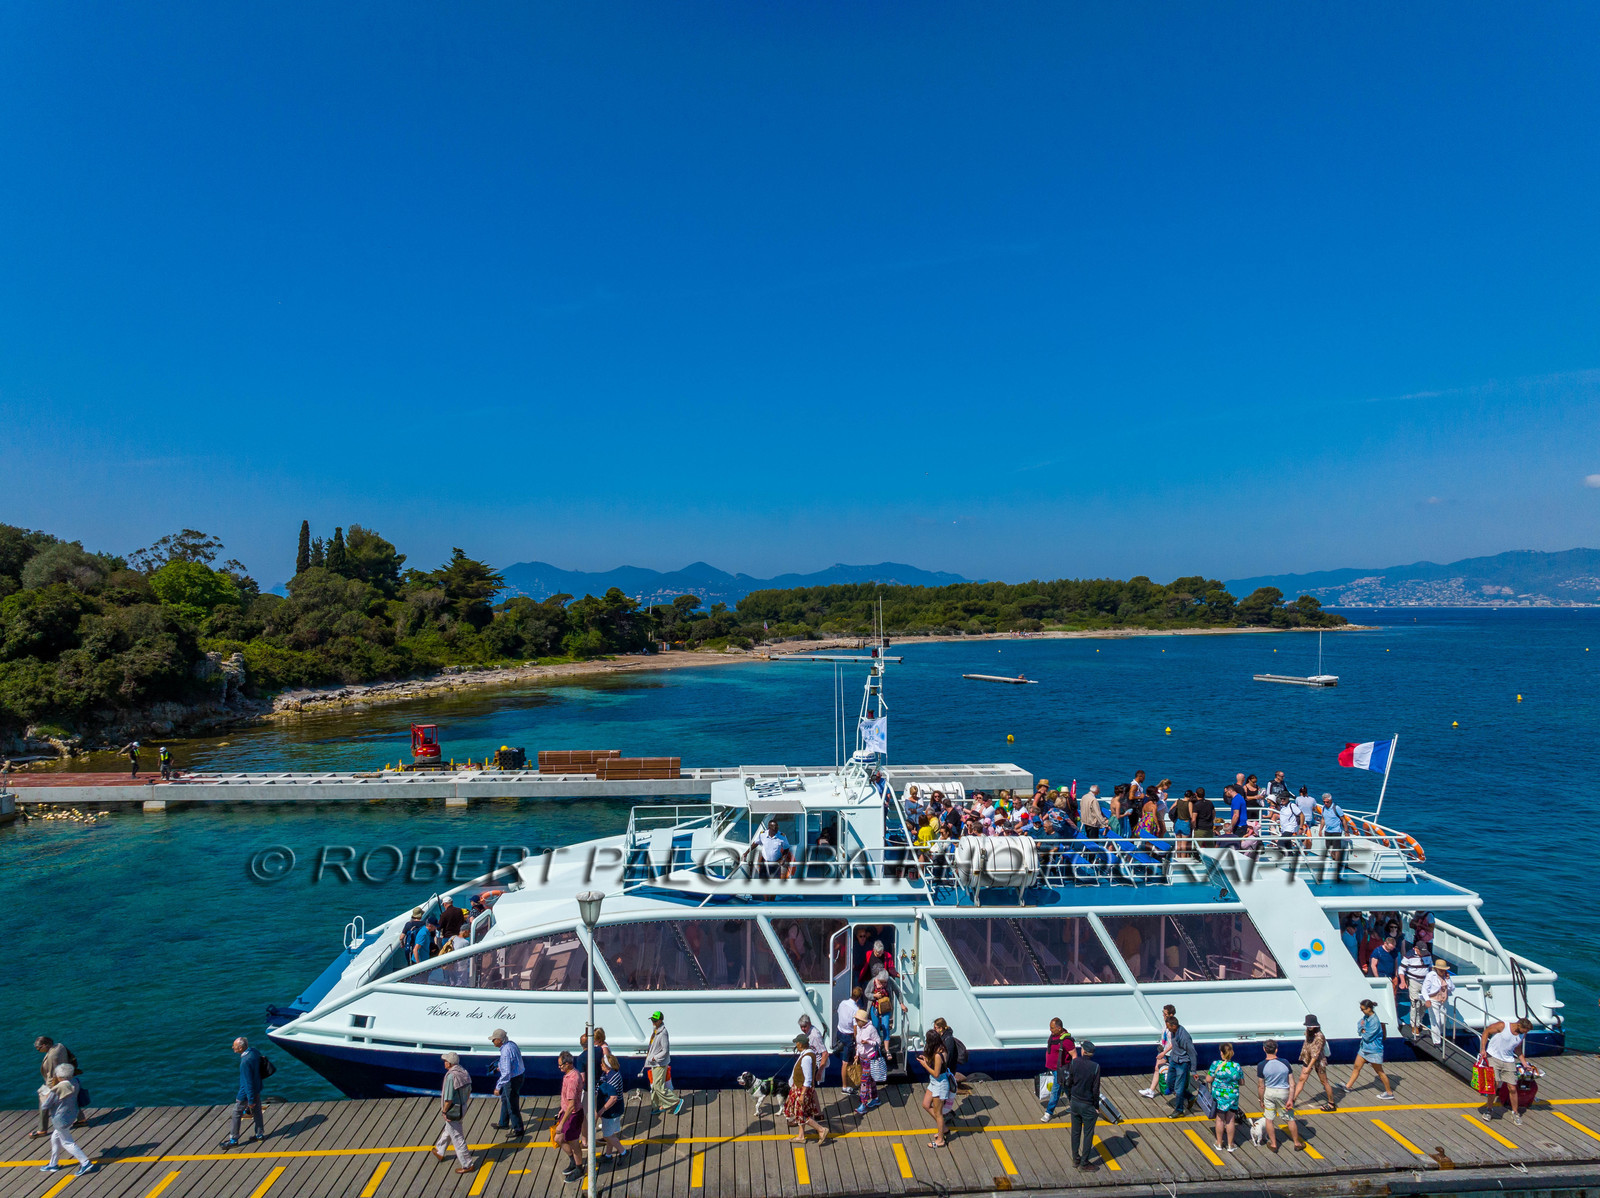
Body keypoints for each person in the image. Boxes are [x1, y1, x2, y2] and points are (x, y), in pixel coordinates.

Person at [38, 1064, 97, 1177]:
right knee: (55, 1138)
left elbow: (45, 1106)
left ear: (59, 1076)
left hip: (61, 1119)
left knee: (67, 1143)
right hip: (72, 1114)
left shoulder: (58, 1088)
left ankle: (85, 1162)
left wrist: (42, 1093)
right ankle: (53, 1163)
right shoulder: (75, 1081)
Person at [1477, 1017, 1533, 1125]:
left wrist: (1525, 1064)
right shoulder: (1503, 1026)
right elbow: (1486, 1032)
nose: (1526, 1033)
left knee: (1512, 1087)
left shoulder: (1522, 1034)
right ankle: (1489, 1109)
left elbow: (1518, 1049)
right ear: (1519, 1026)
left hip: (1508, 1060)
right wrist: (1483, 1048)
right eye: (1525, 1030)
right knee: (1495, 1084)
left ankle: (1515, 1112)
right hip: (1493, 1057)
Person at [1256, 1039, 1306, 1151]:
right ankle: (1297, 1143)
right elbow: (1292, 1083)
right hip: (1283, 1092)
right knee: (1290, 1118)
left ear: (1264, 1049)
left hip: (1269, 1092)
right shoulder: (1285, 1063)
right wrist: (1291, 1099)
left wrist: (1261, 1099)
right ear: (1276, 1049)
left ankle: (1273, 1144)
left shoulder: (1261, 1065)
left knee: (1269, 1119)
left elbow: (1261, 1086)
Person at [431, 1052, 477, 1174]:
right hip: (463, 1106)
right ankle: (440, 1150)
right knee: (449, 1129)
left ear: (449, 1063)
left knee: (457, 1137)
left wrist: (444, 1110)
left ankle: (467, 1164)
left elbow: (448, 1098)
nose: (444, 1062)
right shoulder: (463, 1072)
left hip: (453, 1109)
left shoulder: (451, 1076)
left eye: (445, 1061)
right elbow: (469, 1090)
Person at [1345, 999, 1397, 1099]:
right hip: (1364, 1048)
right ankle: (1348, 1086)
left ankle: (1389, 1093)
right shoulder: (1366, 1016)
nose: (1362, 1011)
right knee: (1356, 1067)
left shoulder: (1374, 1021)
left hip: (1374, 1051)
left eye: (1363, 1009)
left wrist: (1363, 1030)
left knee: (1380, 1072)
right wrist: (1362, 1030)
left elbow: (1367, 1036)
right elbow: (1359, 1025)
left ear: (1369, 1009)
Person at [783, 1034, 830, 1144]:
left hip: (802, 1090)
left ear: (800, 1044)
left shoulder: (807, 1058)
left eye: (797, 1043)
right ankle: (801, 1136)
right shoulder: (808, 1053)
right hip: (799, 1087)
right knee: (801, 1112)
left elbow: (808, 1079)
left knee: (802, 1114)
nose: (796, 1045)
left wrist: (803, 1094)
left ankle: (821, 1130)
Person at [31, 1037, 80, 1138]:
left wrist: (48, 1089)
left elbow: (53, 1074)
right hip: (67, 1078)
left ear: (44, 1045)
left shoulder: (52, 1056)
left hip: (55, 1082)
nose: (37, 1050)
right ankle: (81, 1119)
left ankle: (42, 1129)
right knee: (72, 1099)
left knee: (43, 1102)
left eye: (38, 1048)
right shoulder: (60, 1046)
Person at [222, 1036, 266, 1147]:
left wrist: (250, 1101)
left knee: (236, 1113)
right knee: (257, 1111)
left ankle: (233, 1139)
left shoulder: (245, 1062)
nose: (233, 1047)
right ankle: (259, 1134)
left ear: (241, 1048)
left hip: (246, 1093)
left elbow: (247, 1083)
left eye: (235, 1046)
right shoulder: (254, 1052)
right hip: (257, 1087)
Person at [1066, 1039, 1102, 1170]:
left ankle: (1076, 1159)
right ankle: (1084, 1163)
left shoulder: (1075, 1063)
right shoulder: (1095, 1067)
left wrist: (1071, 1097)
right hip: (1088, 1104)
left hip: (1075, 1101)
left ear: (1083, 1051)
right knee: (1088, 1133)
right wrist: (1096, 1107)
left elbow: (1069, 1082)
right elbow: (1095, 1089)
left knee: (1075, 1132)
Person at [643, 1011, 686, 1116]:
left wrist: (654, 1058)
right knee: (655, 1086)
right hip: (654, 1063)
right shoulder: (656, 1030)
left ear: (660, 1020)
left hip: (659, 1063)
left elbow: (665, 1050)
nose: (653, 1022)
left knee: (658, 1087)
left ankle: (675, 1101)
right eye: (652, 1020)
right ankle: (658, 1105)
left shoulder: (663, 1033)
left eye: (655, 1020)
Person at [1290, 1016, 1337, 1112]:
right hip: (1308, 1058)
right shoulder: (1308, 1032)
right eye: (1308, 1026)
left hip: (1318, 1061)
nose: (1309, 1027)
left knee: (1324, 1082)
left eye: (1311, 1026)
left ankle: (1331, 1103)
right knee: (1302, 1079)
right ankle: (1292, 1100)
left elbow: (1316, 1055)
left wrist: (1309, 1068)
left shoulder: (1319, 1036)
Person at [554, 1051, 586, 1182]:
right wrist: (562, 1109)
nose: (559, 1067)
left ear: (567, 1064)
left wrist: (561, 1124)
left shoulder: (572, 1079)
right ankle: (573, 1161)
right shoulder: (569, 1075)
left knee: (573, 1143)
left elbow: (572, 1105)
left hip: (573, 1115)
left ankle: (579, 1168)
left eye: (560, 1065)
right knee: (558, 1138)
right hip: (567, 1112)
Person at [595, 1038, 629, 1162]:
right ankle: (608, 1155)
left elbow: (613, 1098)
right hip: (613, 1111)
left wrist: (601, 1111)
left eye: (602, 1064)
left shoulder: (611, 1078)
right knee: (610, 1133)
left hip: (611, 1112)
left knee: (607, 1135)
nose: (600, 1066)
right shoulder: (612, 1073)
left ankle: (623, 1152)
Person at [917, 1029, 951, 1148]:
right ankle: (943, 1128)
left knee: (938, 1113)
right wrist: (926, 1059)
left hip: (940, 1083)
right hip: (934, 1082)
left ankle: (940, 1140)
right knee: (926, 1104)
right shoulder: (940, 1048)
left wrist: (925, 1065)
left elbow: (936, 1073)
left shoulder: (938, 1055)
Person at [489, 1029, 526, 1137]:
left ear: (500, 1040)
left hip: (512, 1080)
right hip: (519, 1075)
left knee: (512, 1105)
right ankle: (503, 1122)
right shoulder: (511, 1044)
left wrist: (497, 1087)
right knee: (505, 1099)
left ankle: (518, 1129)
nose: (492, 1042)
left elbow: (506, 1074)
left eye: (494, 1039)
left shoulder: (505, 1052)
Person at [1208, 1042, 1242, 1153]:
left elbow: (1209, 1079)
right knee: (1231, 1119)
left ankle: (1219, 1143)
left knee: (1220, 1119)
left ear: (1222, 1053)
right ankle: (1230, 1145)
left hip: (1219, 1095)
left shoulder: (1215, 1064)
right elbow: (1242, 1082)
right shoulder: (1236, 1066)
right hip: (1232, 1095)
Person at [1040, 1017, 1076, 1122]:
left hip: (1060, 1070)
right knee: (1066, 1088)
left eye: (1052, 1028)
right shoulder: (1054, 1036)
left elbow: (1074, 1055)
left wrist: (1074, 1069)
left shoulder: (1066, 1041)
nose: (1050, 1030)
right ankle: (1074, 1106)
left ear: (1059, 1028)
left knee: (1055, 1091)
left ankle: (1049, 1112)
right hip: (1053, 1068)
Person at [1139, 1004, 1177, 1098]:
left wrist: (1164, 1052)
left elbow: (1173, 1043)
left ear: (1171, 1015)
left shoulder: (1173, 1026)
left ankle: (1179, 1092)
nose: (1163, 1016)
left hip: (1171, 1053)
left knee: (1174, 1072)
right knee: (1157, 1068)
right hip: (1163, 1050)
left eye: (1165, 1014)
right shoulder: (1165, 1024)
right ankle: (1151, 1090)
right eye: (1163, 1013)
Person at [852, 1009, 883, 1114]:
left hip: (870, 1058)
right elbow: (858, 1044)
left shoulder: (871, 1029)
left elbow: (878, 1042)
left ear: (862, 1020)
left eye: (857, 1019)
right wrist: (857, 1055)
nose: (856, 1021)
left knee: (864, 1081)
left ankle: (863, 1104)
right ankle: (875, 1099)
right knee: (871, 1080)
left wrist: (868, 1042)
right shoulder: (860, 1028)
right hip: (862, 1058)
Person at [1398, 939, 1432, 1033]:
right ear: (1416, 949)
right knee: (1415, 1003)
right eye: (1421, 951)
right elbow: (1401, 969)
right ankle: (1414, 1025)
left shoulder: (1427, 954)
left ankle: (1419, 1021)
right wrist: (1402, 981)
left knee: (1424, 1003)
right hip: (1413, 981)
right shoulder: (1409, 956)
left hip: (1425, 982)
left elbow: (1430, 967)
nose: (1423, 953)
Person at [1165, 1014, 1195, 1116]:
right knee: (1169, 1083)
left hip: (1182, 1063)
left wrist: (1193, 1070)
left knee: (1178, 1088)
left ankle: (1179, 1110)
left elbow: (1193, 1053)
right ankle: (1190, 1097)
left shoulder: (1184, 1037)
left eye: (1168, 1026)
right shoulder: (1173, 1032)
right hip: (1174, 1060)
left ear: (1174, 1026)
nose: (1167, 1029)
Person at [1421, 958, 1456, 1046]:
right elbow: (1424, 989)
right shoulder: (1431, 975)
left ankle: (1438, 1034)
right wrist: (1427, 1000)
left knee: (1443, 1021)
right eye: (1441, 970)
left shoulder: (1446, 977)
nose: (1442, 972)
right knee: (1435, 1020)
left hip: (1444, 1001)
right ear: (1436, 969)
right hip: (1434, 1000)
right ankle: (1437, 1041)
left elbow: (1452, 988)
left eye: (1444, 970)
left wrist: (1448, 979)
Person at [837, 986, 863, 1096]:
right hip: (848, 1037)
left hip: (839, 1032)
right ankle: (845, 1087)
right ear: (859, 998)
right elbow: (855, 1028)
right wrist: (858, 1043)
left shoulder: (843, 1003)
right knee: (846, 1062)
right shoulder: (856, 1010)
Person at [798, 1014, 829, 1085]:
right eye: (801, 1027)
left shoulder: (815, 1036)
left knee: (809, 1086)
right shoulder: (808, 1032)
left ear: (809, 1024)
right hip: (810, 1062)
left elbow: (825, 1054)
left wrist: (819, 1072)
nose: (803, 1029)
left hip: (816, 1066)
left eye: (805, 1026)